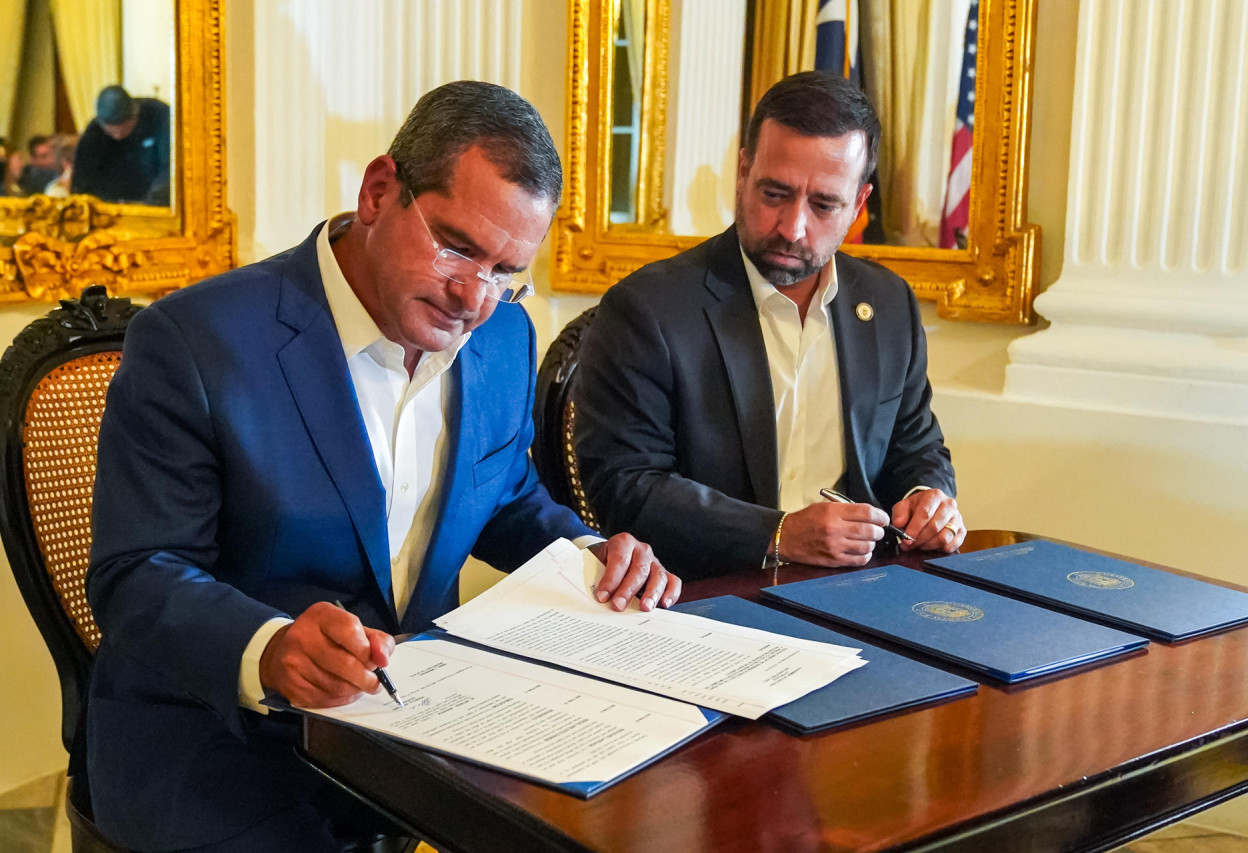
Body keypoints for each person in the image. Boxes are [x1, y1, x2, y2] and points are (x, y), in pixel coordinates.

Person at [86, 80, 679, 852]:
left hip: (416, 736)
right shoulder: (196, 341)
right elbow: (137, 571)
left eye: (507, 270)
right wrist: (268, 647)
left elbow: (502, 495)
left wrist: (590, 554)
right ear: (378, 192)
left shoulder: (502, 340)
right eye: (458, 246)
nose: (474, 296)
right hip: (220, 747)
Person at [574, 71, 964, 580]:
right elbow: (624, 487)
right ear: (742, 171)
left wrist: (927, 498)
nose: (793, 227)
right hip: (706, 594)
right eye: (775, 194)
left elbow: (916, 445)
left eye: (824, 204)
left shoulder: (889, 303)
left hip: (863, 586)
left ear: (860, 203)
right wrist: (777, 534)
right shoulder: (648, 308)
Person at [71, 85, 170, 203]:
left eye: (124, 130)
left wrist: (150, 204)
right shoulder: (94, 133)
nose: (118, 136)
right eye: (111, 132)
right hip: (110, 204)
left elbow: (169, 167)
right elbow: (82, 180)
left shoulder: (158, 114)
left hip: (152, 201)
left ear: (135, 117)